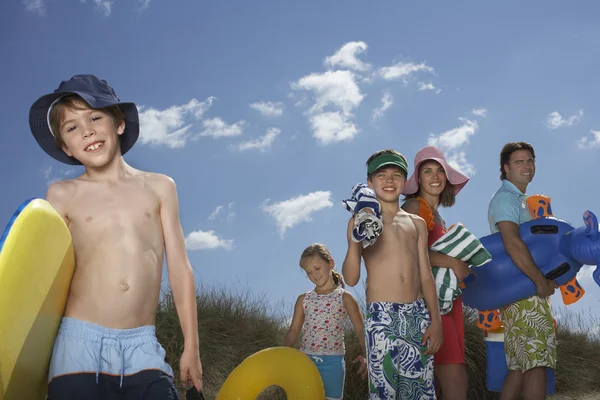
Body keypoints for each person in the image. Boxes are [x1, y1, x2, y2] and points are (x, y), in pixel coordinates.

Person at [28, 74, 202, 399]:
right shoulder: (62, 194)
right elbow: (41, 278)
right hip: (77, 345)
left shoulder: (161, 187)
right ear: (66, 147)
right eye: (72, 127)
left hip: (142, 345)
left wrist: (191, 345)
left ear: (118, 122)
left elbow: (179, 269)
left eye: (95, 117)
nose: (87, 130)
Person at [342, 149, 443, 400]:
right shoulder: (361, 221)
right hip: (381, 317)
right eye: (381, 175)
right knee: (384, 393)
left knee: (419, 391)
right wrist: (356, 237)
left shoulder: (416, 223)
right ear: (369, 183)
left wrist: (436, 321)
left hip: (417, 315)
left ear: (405, 181)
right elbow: (351, 278)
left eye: (396, 175)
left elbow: (426, 276)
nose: (389, 180)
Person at [487, 142, 557, 400]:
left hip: (519, 291)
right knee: (536, 364)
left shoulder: (521, 200)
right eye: (519, 162)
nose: (526, 166)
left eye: (530, 160)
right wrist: (539, 281)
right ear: (506, 169)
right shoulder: (506, 198)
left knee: (519, 366)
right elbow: (511, 242)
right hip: (525, 291)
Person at [401, 146, 470, 400]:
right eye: (427, 171)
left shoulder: (439, 219)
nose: (434, 176)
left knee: (441, 384)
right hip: (429, 305)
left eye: (440, 170)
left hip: (448, 304)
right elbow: (406, 253)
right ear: (417, 178)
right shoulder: (413, 206)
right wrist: (452, 261)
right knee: (455, 381)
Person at [284, 243, 367, 400]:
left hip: (333, 364)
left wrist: (366, 355)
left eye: (317, 268)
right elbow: (294, 330)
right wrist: (282, 354)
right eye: (309, 272)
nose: (314, 274)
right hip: (305, 361)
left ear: (330, 263)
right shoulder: (303, 299)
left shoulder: (345, 298)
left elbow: (361, 329)